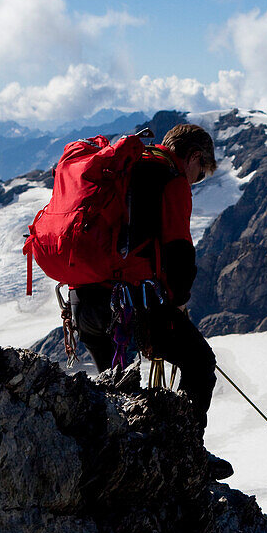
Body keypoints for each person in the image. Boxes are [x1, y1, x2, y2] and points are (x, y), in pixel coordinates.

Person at [69, 124, 218, 431]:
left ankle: (120, 447)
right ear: (193, 157)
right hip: (128, 306)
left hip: (83, 303)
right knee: (200, 362)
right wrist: (177, 302)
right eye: (201, 172)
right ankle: (185, 445)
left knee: (116, 390)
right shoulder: (171, 178)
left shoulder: (126, 166)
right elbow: (179, 253)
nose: (197, 180)